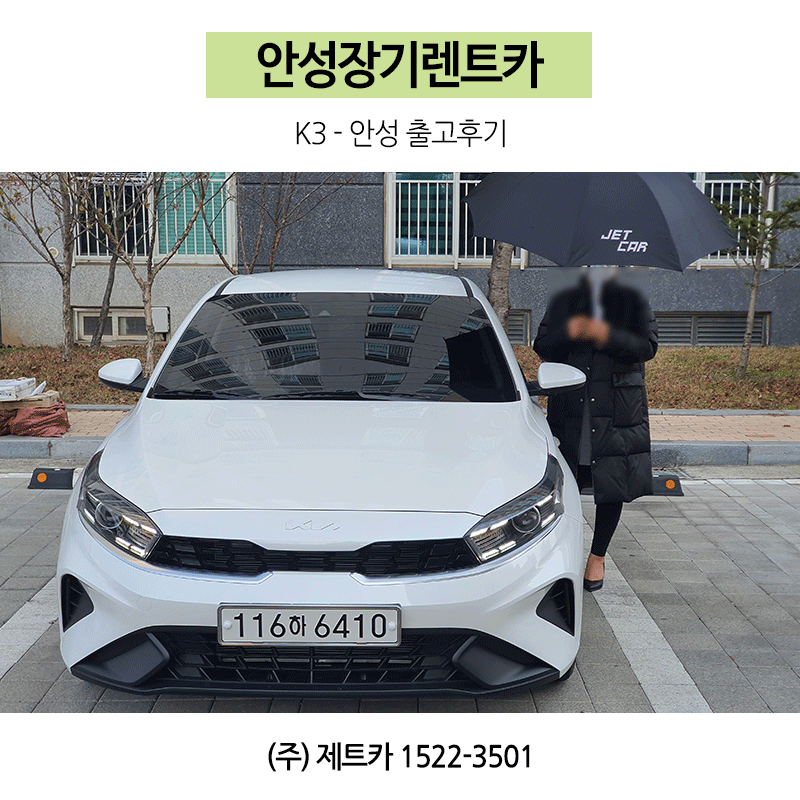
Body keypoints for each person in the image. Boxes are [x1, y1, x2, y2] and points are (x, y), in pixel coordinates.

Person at [533, 266, 658, 591]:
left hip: (616, 405)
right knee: (564, 483)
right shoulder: (567, 293)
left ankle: (597, 556)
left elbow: (646, 347)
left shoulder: (632, 294)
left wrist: (605, 333)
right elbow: (543, 346)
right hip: (572, 402)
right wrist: (571, 330)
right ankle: (560, 556)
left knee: (612, 479)